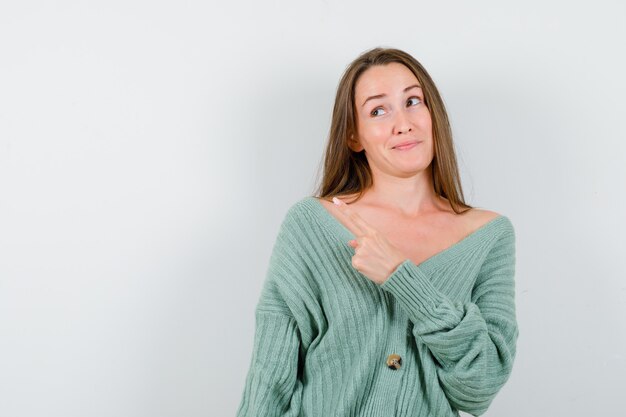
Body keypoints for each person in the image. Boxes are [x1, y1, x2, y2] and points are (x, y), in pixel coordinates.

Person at [235, 47, 519, 417]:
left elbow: (479, 388)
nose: (403, 123)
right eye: (378, 110)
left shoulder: (489, 236)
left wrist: (403, 280)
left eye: (413, 101)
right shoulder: (311, 224)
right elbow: (270, 374)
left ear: (434, 114)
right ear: (355, 136)